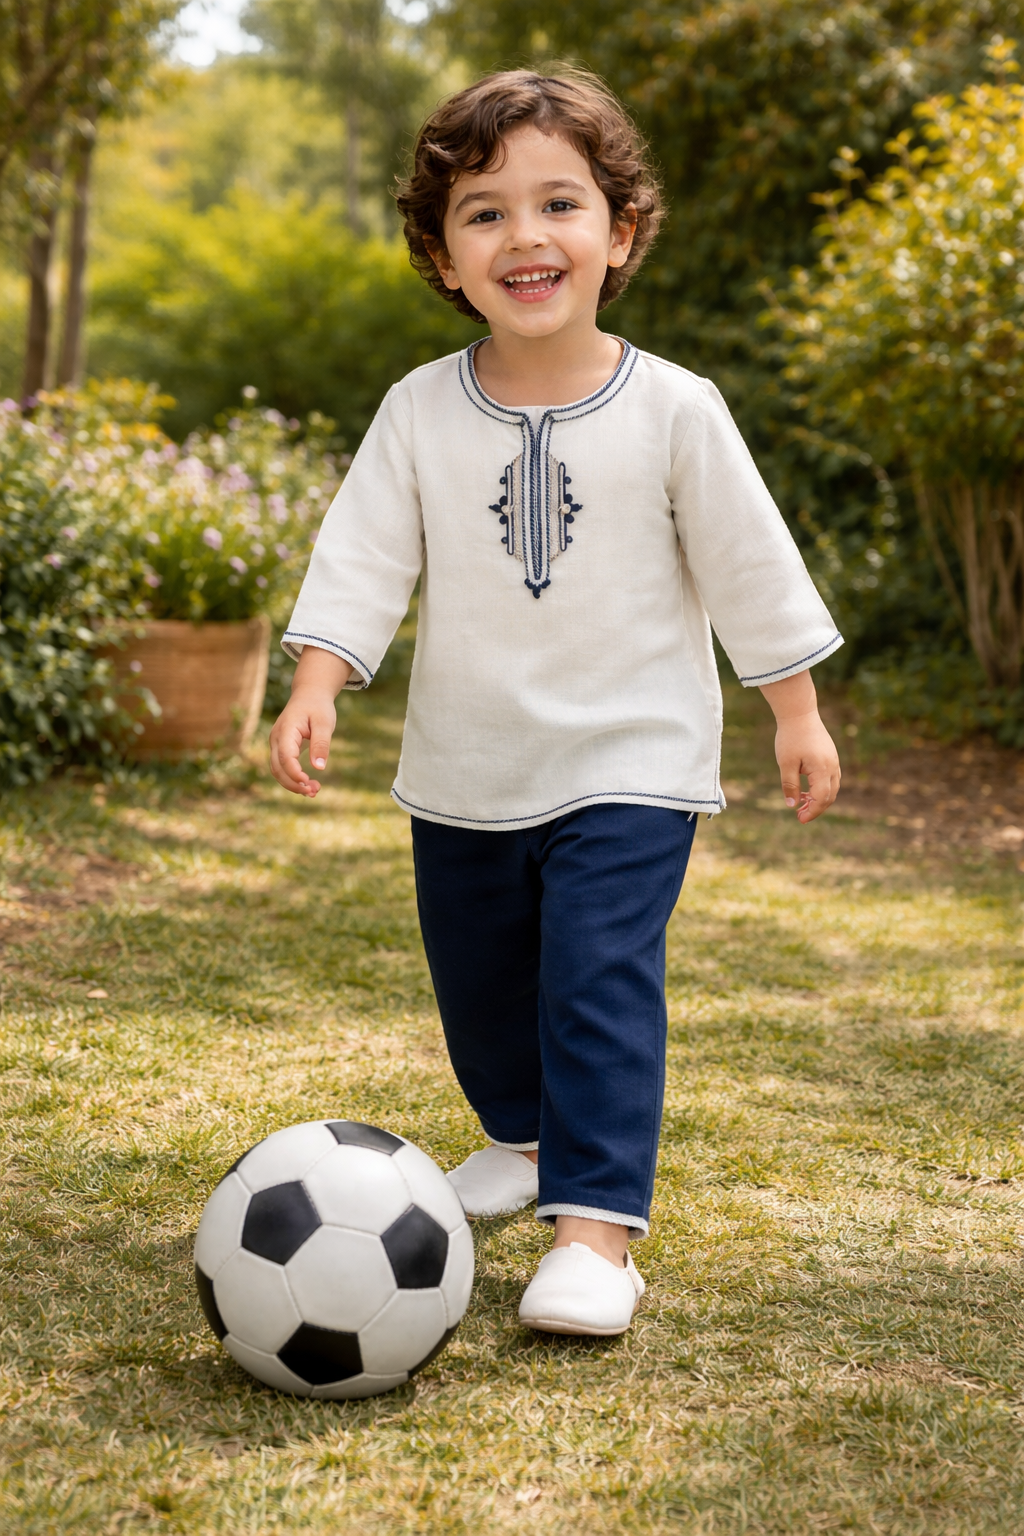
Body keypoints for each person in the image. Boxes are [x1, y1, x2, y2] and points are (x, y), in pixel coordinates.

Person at [269, 68, 842, 1337]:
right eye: (483, 213)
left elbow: (751, 565)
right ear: (442, 255)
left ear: (618, 232)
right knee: (480, 988)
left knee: (592, 974)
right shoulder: (419, 411)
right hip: (467, 763)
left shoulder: (675, 408)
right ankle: (524, 1142)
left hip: (634, 758)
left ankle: (594, 1231)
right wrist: (320, 677)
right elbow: (364, 554)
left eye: (559, 204)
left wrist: (792, 711)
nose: (524, 236)